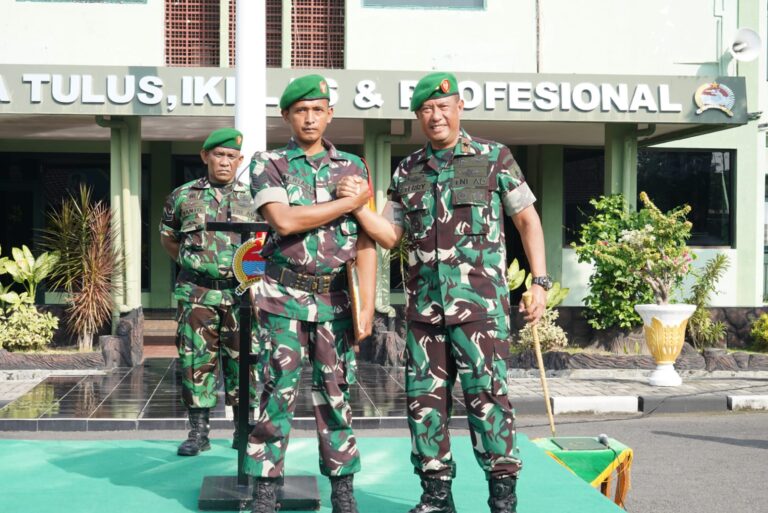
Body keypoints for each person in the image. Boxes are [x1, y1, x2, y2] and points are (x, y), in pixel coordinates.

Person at [337, 72, 550, 513]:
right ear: (419, 116)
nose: (436, 116)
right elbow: (391, 234)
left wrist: (540, 283)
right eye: (427, 110)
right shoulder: (407, 170)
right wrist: (357, 208)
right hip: (423, 315)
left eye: (443, 106)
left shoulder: (494, 158)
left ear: (459, 106)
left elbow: (527, 220)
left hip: (480, 311)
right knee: (425, 404)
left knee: (488, 400)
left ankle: (502, 497)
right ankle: (436, 496)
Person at [244, 74, 376, 513]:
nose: (310, 117)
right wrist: (349, 204)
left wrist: (369, 307)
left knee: (336, 395)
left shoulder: (354, 167)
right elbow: (284, 221)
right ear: (287, 116)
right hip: (283, 298)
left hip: (337, 301)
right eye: (301, 110)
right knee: (274, 392)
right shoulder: (270, 163)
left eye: (318, 109)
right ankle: (266, 490)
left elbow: (365, 241)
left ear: (330, 114)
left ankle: (343, 489)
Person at [159, 127, 260, 456]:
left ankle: (242, 430)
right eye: (219, 155)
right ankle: (198, 432)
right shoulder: (182, 196)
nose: (225, 162)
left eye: (232, 156)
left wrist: (254, 286)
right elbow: (169, 239)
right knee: (194, 362)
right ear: (205, 156)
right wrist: (199, 267)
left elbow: (261, 246)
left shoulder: (254, 198)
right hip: (197, 294)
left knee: (244, 363)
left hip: (240, 295)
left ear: (240, 160)